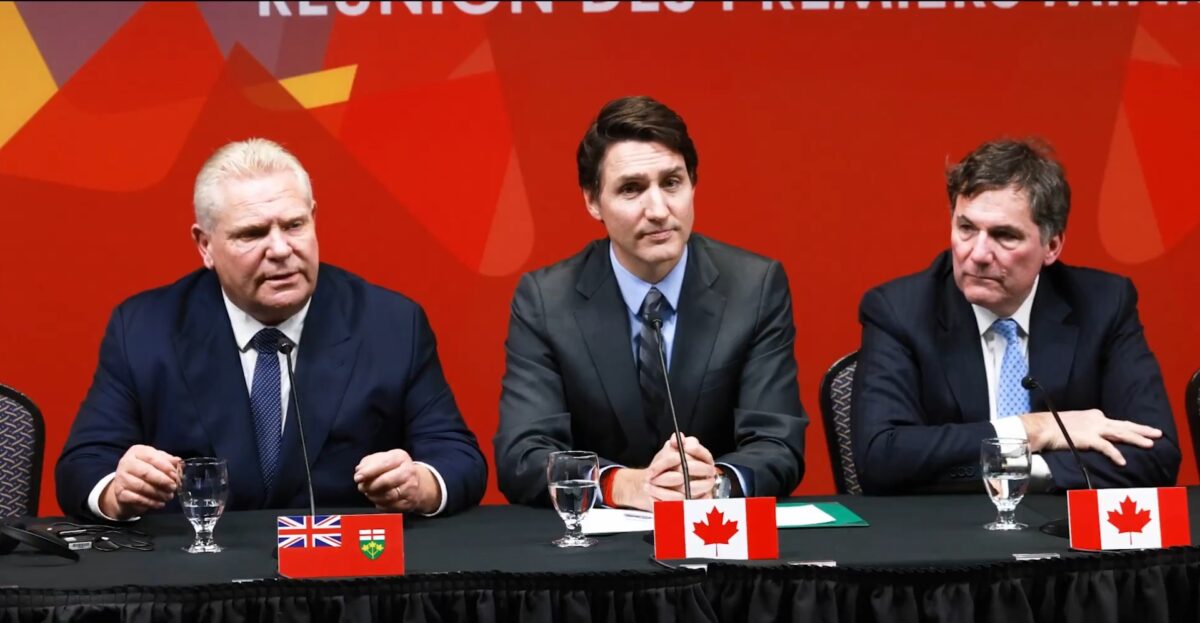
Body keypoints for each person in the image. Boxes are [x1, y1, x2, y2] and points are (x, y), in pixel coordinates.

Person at [56, 138, 487, 520]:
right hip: (200, 584)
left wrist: (421, 483)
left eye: (294, 225)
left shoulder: (390, 322)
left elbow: (459, 458)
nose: (281, 249)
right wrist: (116, 490)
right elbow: (84, 466)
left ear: (314, 218)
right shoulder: (145, 327)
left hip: (345, 583)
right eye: (252, 234)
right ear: (205, 246)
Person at [494, 96, 808, 510]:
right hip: (595, 557)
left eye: (671, 183)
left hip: (715, 545)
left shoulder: (754, 286)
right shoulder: (546, 299)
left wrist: (716, 481)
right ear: (592, 201)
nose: (658, 210)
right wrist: (618, 485)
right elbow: (523, 452)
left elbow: (779, 443)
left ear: (693, 183)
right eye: (631, 189)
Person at [851, 138, 1180, 494]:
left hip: (1062, 535)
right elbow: (881, 458)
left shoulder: (1102, 305)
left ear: (1051, 246)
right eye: (966, 228)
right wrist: (1033, 430)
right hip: (949, 533)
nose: (977, 253)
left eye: (1004, 236)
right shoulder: (900, 311)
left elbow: (1156, 455)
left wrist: (1026, 468)